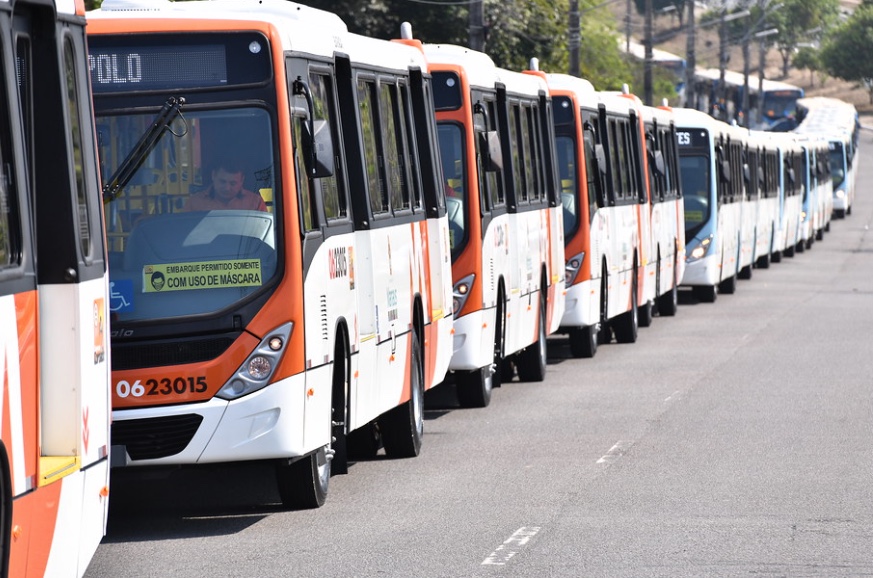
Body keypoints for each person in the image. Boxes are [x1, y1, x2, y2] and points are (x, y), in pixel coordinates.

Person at [185, 158, 267, 212]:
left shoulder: (255, 203)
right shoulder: (194, 203)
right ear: (213, 176)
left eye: (233, 183)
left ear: (242, 180)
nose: (227, 188)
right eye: (222, 182)